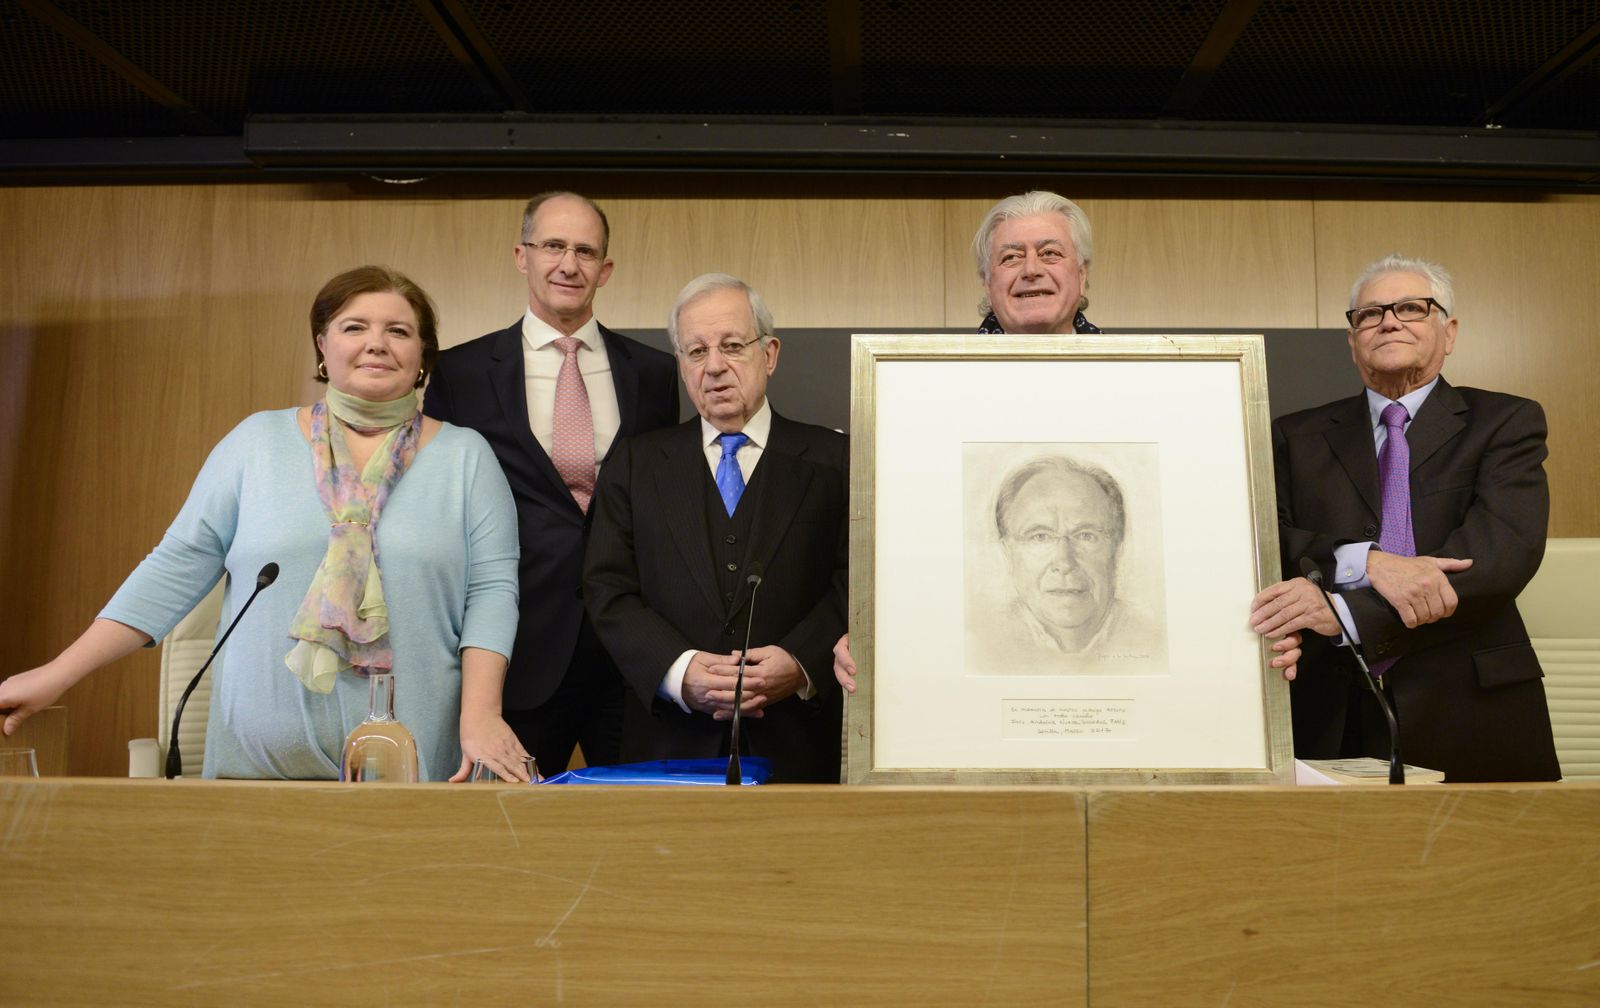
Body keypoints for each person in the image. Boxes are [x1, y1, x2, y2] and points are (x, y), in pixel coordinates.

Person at [0, 266, 529, 781]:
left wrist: (481, 712)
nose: (376, 343)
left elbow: (491, 592)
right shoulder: (255, 443)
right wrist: (56, 675)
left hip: (413, 766)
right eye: (354, 327)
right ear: (323, 346)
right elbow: (174, 569)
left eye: (398, 330)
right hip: (257, 772)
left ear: (421, 358)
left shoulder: (466, 456)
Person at [832, 191, 1297, 688]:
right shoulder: (924, 402)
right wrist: (883, 628)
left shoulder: (1158, 393)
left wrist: (1236, 639)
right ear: (987, 282)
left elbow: (1205, 543)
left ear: (1083, 272)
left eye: (1050, 253)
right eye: (1011, 257)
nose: (1031, 269)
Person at [1249, 254, 1559, 782]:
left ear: (1449, 331)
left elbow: (1498, 557)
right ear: (1352, 340)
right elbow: (1265, 539)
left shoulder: (1506, 422)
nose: (1389, 321)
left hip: (1474, 708)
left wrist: (1347, 615)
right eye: (1369, 314)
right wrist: (1365, 562)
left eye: (1411, 308)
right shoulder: (1291, 435)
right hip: (1328, 710)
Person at [423, 192, 678, 775]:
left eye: (586, 251)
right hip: (516, 655)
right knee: (505, 842)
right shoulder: (461, 373)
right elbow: (441, 512)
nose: (569, 264)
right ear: (521, 256)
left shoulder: (657, 373)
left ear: (605, 270)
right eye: (553, 246)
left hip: (631, 658)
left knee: (642, 838)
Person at [583, 273, 847, 782]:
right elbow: (606, 586)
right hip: (666, 743)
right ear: (681, 366)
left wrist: (800, 661)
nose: (716, 367)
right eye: (696, 351)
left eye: (732, 346)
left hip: (800, 742)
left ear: (769, 354)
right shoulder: (635, 465)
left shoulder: (837, 460)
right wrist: (680, 672)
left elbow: (854, 580)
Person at [971, 455, 1162, 668]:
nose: (1064, 562)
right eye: (1040, 537)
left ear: (1116, 548)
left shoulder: (1157, 642)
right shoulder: (977, 645)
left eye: (1086, 536)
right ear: (1008, 552)